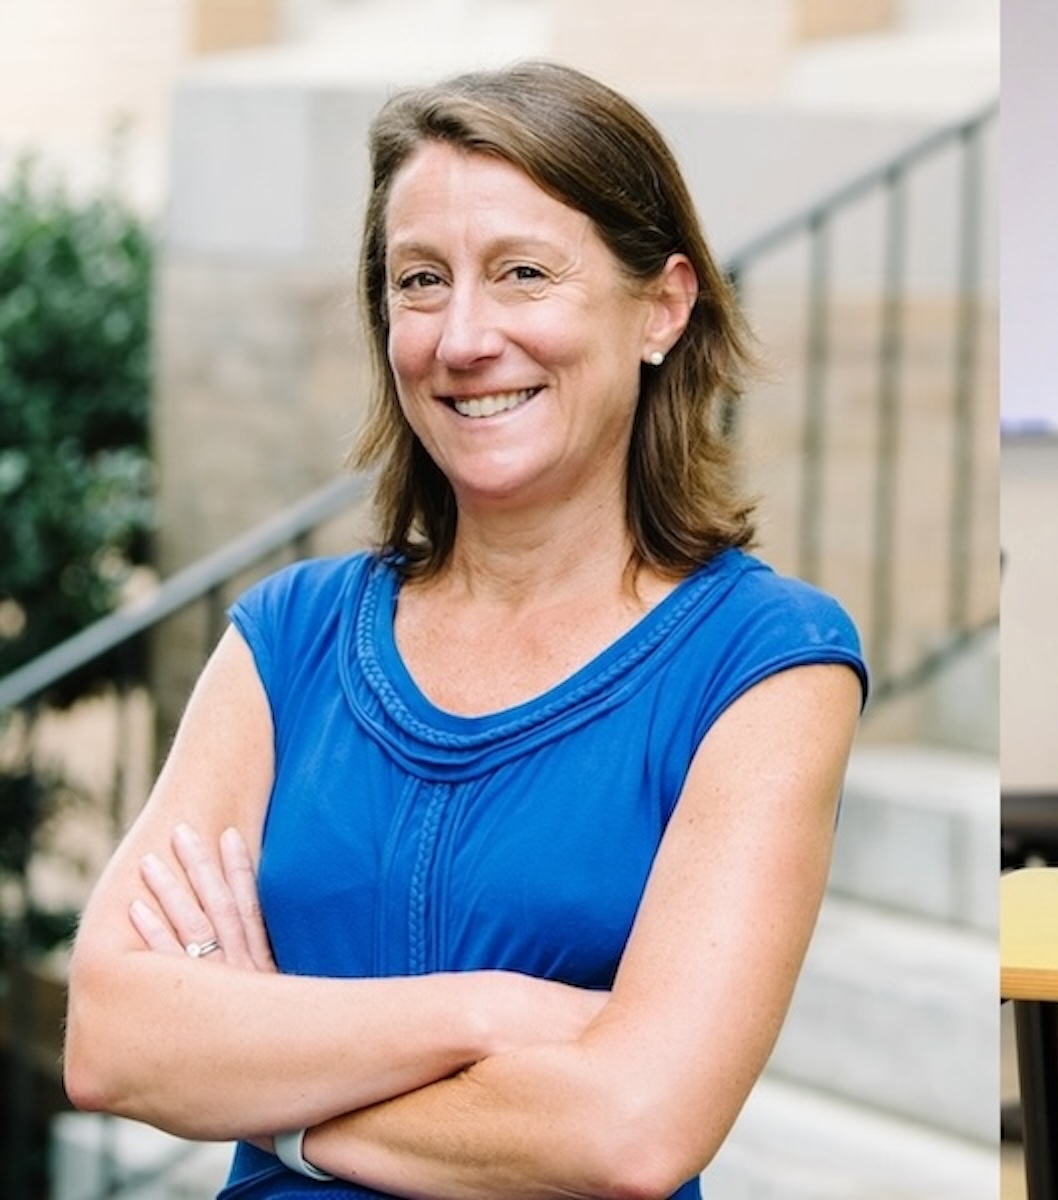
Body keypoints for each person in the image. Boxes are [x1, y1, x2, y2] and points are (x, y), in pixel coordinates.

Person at [62, 60, 867, 1199]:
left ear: (662, 306)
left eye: (524, 274)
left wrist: (272, 1086)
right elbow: (109, 1038)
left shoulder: (763, 663)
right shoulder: (290, 637)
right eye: (420, 282)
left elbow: (630, 1133)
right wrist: (489, 1014)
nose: (464, 337)